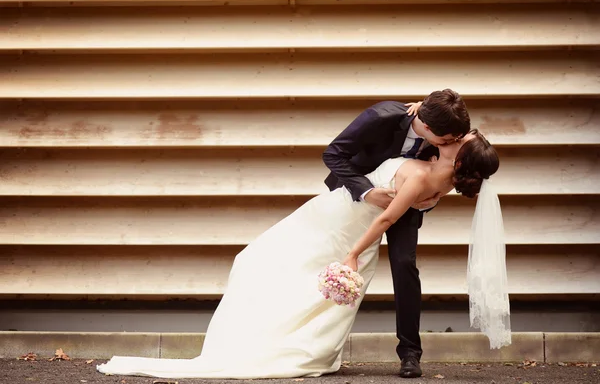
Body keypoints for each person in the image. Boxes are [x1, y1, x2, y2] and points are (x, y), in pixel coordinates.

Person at [96, 128, 509, 380]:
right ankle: (279, 341)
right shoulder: (438, 171)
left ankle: (267, 345)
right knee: (268, 264)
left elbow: (385, 222)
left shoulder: (423, 176)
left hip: (351, 225)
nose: (459, 135)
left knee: (264, 263)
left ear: (460, 155)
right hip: (342, 210)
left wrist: (351, 255)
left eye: (463, 139)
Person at [323, 89, 470, 378]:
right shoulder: (380, 117)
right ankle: (319, 344)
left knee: (404, 264)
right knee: (334, 262)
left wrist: (432, 198)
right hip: (358, 196)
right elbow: (333, 154)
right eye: (447, 141)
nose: (452, 146)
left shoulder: (446, 125)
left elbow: (465, 163)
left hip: (408, 201)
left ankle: (410, 353)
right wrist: (366, 191)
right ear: (426, 127)